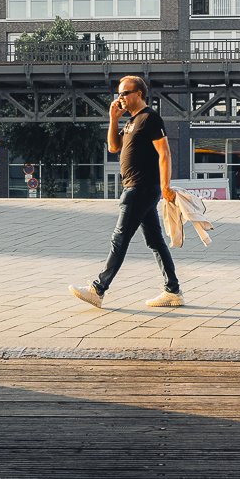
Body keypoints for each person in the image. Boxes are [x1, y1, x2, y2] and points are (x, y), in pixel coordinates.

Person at [69, 75, 183, 308]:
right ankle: (173, 291)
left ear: (138, 94)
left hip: (140, 188)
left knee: (119, 238)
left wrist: (165, 186)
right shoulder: (132, 122)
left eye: (125, 93)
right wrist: (113, 119)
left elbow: (164, 153)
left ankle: (98, 289)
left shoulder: (150, 118)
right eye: (119, 93)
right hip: (137, 187)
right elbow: (113, 147)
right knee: (155, 241)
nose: (120, 97)